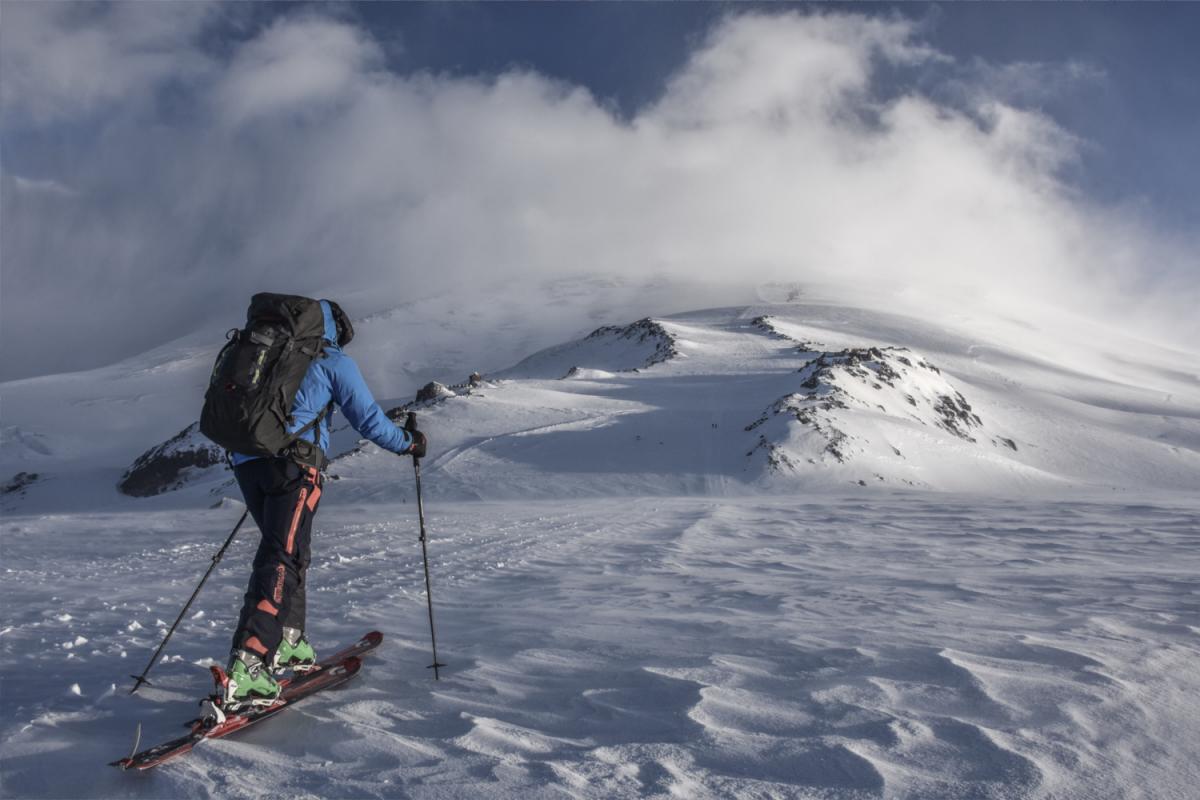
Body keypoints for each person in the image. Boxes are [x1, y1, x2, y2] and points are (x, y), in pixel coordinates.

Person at [219, 299, 426, 708]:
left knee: (291, 553)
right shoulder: (330, 359)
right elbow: (368, 421)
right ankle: (249, 663)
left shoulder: (266, 352)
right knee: (281, 556)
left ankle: (289, 642)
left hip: (247, 462)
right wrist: (409, 443)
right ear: (335, 328)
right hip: (295, 468)